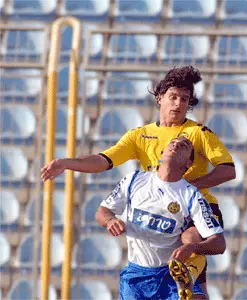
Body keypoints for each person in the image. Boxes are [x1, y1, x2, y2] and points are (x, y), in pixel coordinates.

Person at [41, 65, 236, 295]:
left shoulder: (197, 133)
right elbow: (104, 160)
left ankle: (187, 281)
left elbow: (228, 170)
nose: (178, 104)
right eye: (173, 97)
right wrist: (66, 163)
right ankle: (189, 285)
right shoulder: (140, 136)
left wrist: (189, 185)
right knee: (191, 285)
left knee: (190, 240)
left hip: (195, 208)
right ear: (159, 97)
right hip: (162, 211)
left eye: (184, 99)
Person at [96, 137, 226, 300]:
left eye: (184, 146)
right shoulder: (134, 179)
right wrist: (109, 220)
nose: (176, 144)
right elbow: (102, 211)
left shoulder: (191, 195)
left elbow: (219, 243)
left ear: (188, 164)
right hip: (136, 277)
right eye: (172, 142)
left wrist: (192, 247)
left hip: (170, 275)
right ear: (162, 153)